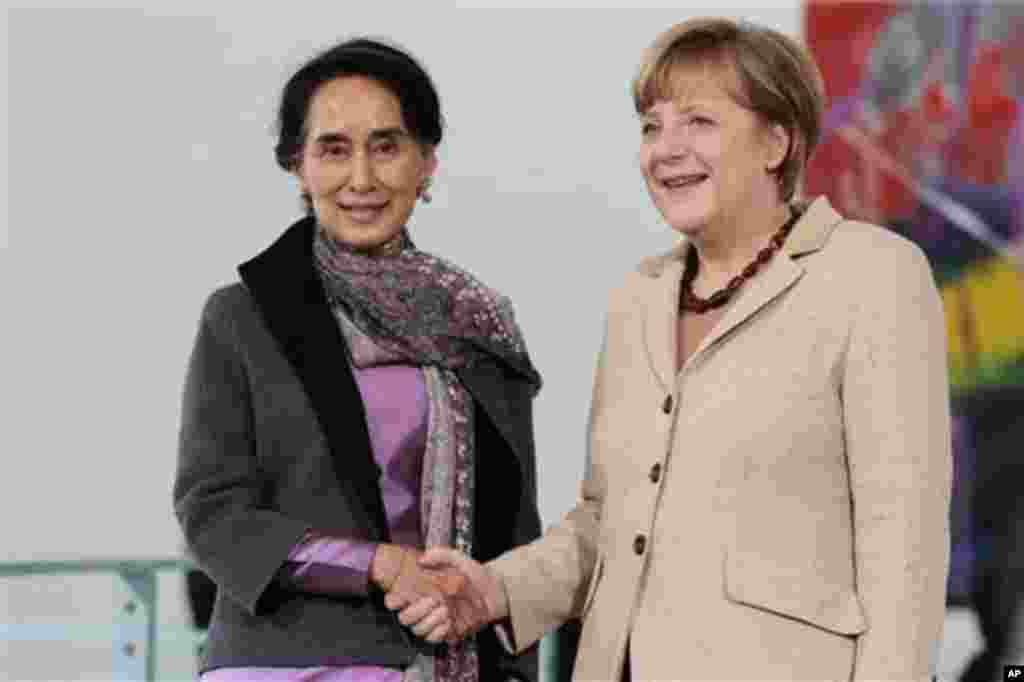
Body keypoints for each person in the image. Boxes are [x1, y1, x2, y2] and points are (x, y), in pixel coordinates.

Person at [391, 17, 953, 682]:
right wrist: (493, 590)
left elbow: (903, 542)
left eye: (698, 122)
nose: (665, 148)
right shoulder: (637, 296)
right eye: (651, 126)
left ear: (776, 140)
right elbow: (610, 521)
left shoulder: (873, 273)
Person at [172, 37, 543, 681]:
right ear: (298, 166)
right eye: (333, 149)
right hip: (283, 664)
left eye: (387, 145)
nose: (362, 179)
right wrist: (375, 563)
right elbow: (213, 512)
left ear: (427, 163)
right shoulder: (242, 316)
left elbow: (513, 532)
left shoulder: (479, 326)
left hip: (445, 662)